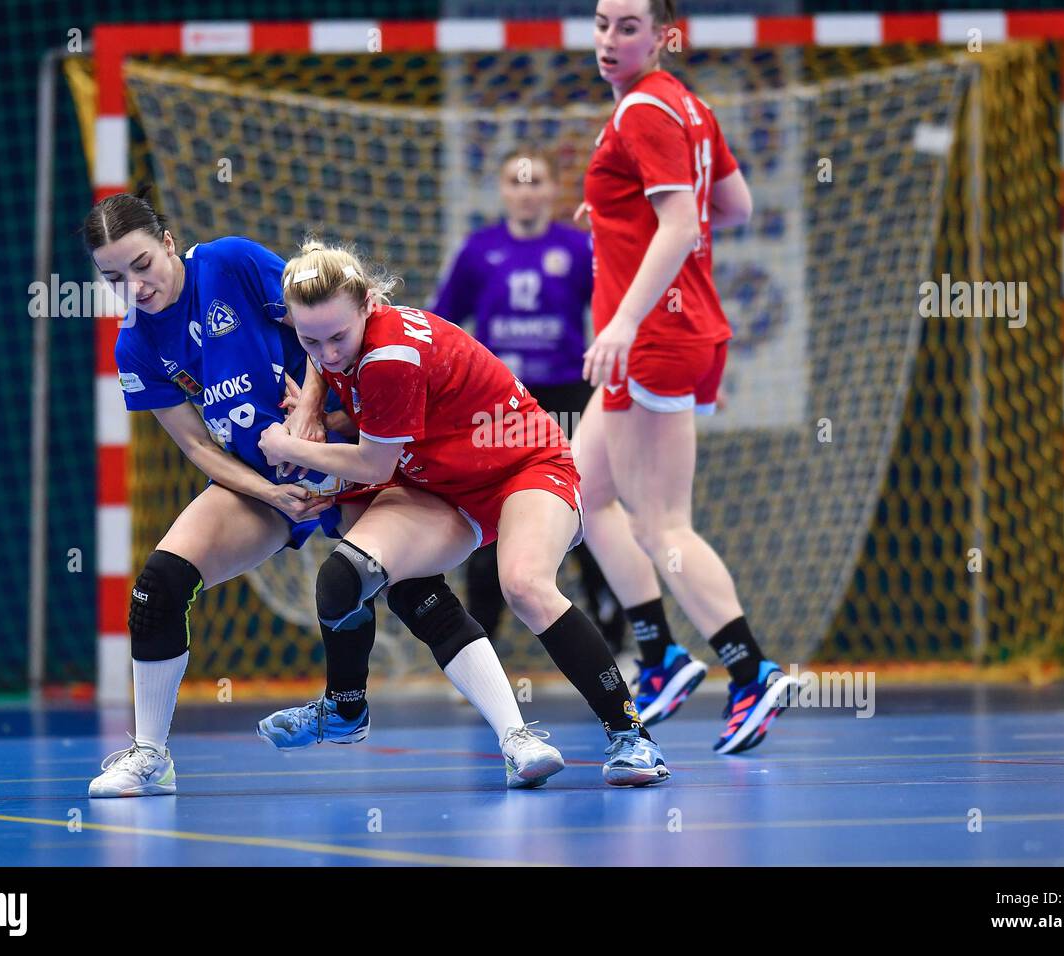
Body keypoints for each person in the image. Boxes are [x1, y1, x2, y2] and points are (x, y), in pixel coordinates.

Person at [84, 192, 563, 796]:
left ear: (169, 244)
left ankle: (517, 738)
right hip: (265, 483)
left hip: (347, 450)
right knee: (158, 588)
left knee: (413, 590)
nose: (135, 286)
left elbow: (315, 327)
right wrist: (272, 492)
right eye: (113, 278)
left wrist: (310, 413)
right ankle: (151, 756)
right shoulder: (135, 346)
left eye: (142, 264)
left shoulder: (229, 264)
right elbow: (200, 450)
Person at [257, 239, 670, 786]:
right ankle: (344, 709)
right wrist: (312, 403)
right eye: (310, 340)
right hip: (444, 485)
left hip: (524, 466)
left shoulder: (389, 357)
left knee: (523, 584)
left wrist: (291, 446)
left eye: (338, 337)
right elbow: (325, 366)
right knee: (345, 576)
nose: (328, 353)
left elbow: (376, 465)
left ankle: (631, 736)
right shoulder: (337, 341)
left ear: (368, 308)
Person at [572, 0, 797, 754]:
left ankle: (750, 668)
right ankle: (660, 652)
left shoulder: (644, 111)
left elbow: (681, 224)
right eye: (602, 22)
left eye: (628, 26)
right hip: (679, 327)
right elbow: (733, 205)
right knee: (585, 491)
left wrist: (624, 323)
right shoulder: (685, 106)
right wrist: (613, 212)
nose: (609, 38)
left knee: (660, 522)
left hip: (657, 335)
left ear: (665, 36)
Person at [430, 151, 626, 656]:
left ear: (550, 189)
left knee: (587, 511)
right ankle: (480, 648)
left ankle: (618, 643)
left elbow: (610, 312)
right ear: (502, 191)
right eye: (516, 182)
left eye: (535, 180)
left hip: (566, 395)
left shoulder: (578, 248)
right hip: (497, 403)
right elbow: (441, 323)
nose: (525, 191)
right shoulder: (479, 250)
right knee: (490, 515)